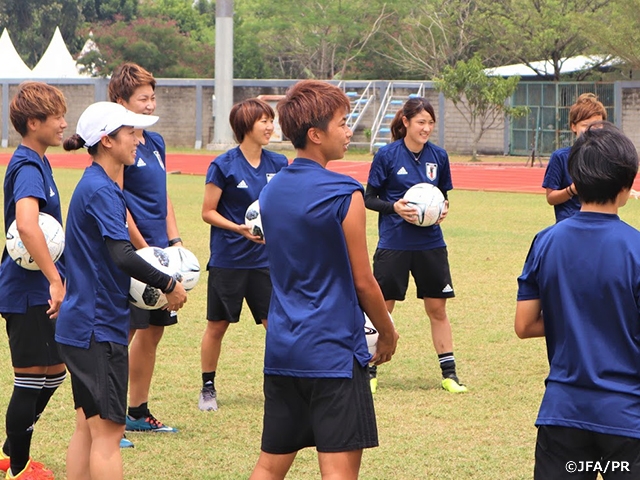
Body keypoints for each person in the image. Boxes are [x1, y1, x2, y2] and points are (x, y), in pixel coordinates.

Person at [249, 80, 398, 480]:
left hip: (283, 350)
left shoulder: (272, 189)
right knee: (337, 470)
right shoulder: (345, 192)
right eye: (342, 123)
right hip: (333, 353)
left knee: (269, 464)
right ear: (315, 135)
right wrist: (388, 333)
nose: (349, 131)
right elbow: (364, 281)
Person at [55, 102, 187, 480]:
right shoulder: (100, 189)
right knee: (109, 435)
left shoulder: (99, 185)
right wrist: (168, 284)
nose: (137, 139)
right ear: (107, 141)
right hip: (97, 328)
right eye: (130, 132)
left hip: (81, 326)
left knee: (88, 427)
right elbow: (122, 254)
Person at [516, 122, 640, 479]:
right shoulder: (634, 249)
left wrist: (574, 318)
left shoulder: (546, 241)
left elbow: (524, 325)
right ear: (625, 184)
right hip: (627, 418)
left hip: (563, 413)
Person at [365, 96, 466, 394]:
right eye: (421, 122)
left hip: (431, 244)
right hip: (394, 244)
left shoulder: (439, 156)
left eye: (430, 123)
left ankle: (450, 374)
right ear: (406, 122)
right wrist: (394, 208)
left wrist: (443, 209)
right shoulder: (387, 155)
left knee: (437, 308)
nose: (426, 128)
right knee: (382, 308)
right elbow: (368, 198)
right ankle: (369, 369)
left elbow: (442, 196)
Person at [198, 98, 288, 412]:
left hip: (267, 261)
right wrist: (238, 228)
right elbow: (208, 212)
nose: (270, 126)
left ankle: (282, 386)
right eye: (263, 120)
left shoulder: (280, 164)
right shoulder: (223, 165)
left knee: (275, 324)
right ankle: (208, 387)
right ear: (245, 127)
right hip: (229, 260)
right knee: (217, 325)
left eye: (270, 120)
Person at [108, 63, 182, 437]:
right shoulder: (119, 141)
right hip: (133, 255)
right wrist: (144, 251)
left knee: (153, 332)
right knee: (122, 336)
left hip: (160, 252)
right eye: (143, 98)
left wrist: (175, 242)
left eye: (153, 97)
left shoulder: (155, 141)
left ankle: (137, 410)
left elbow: (163, 195)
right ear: (121, 101)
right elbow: (117, 203)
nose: (151, 104)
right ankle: (109, 420)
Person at [0, 82, 68, 480]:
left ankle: (12, 449)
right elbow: (26, 226)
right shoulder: (27, 166)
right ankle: (20, 469)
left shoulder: (39, 161)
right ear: (33, 122)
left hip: (35, 289)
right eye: (56, 116)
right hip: (28, 292)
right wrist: (55, 280)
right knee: (30, 378)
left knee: (55, 371)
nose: (63, 123)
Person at [542, 93, 607, 223]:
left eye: (597, 125)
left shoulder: (607, 157)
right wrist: (572, 190)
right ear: (573, 126)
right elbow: (551, 198)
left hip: (599, 225)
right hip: (569, 225)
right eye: (585, 125)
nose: (591, 130)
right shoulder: (560, 157)